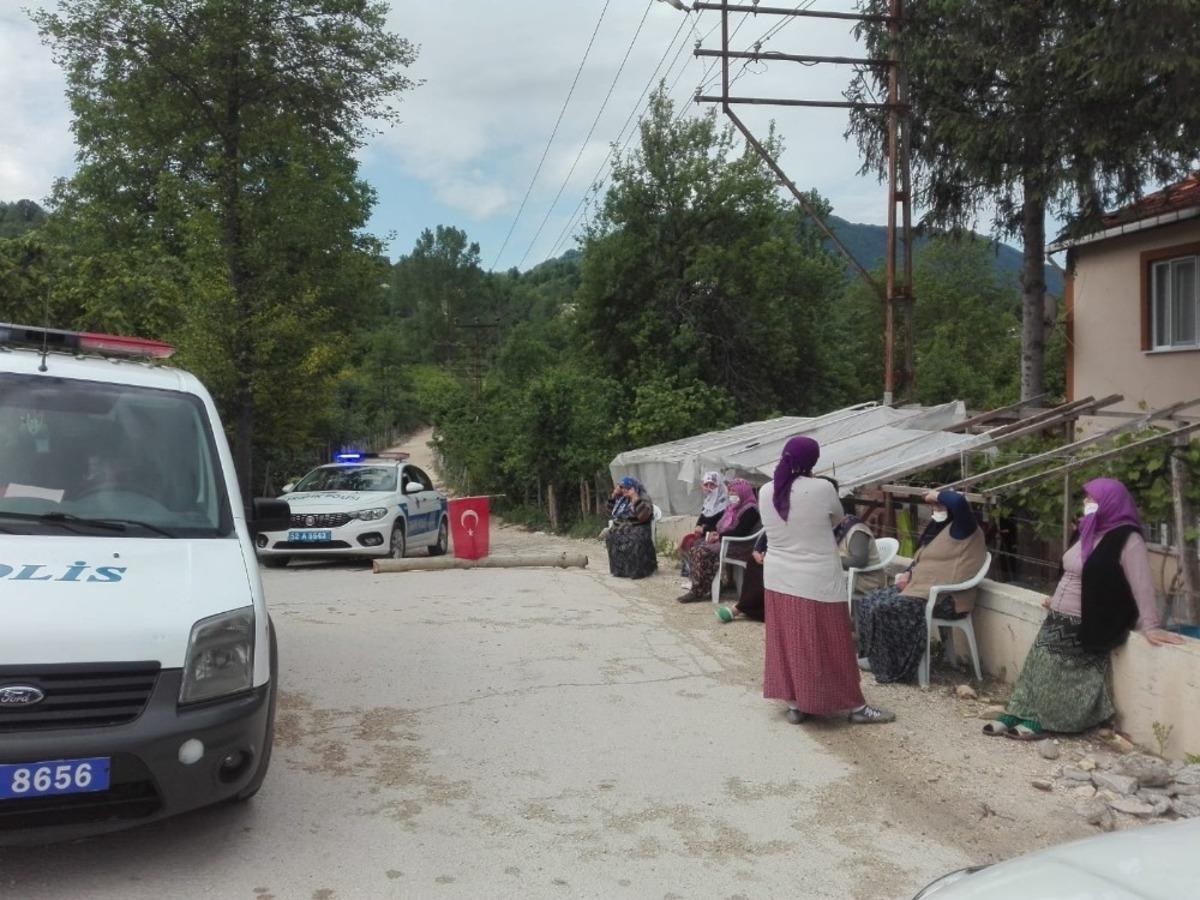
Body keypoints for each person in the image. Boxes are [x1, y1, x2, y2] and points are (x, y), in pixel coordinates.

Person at [984, 478, 1183, 739]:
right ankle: (1018, 709)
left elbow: (1142, 584)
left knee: (1054, 669)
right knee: (1036, 663)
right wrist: (1055, 596)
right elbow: (1072, 569)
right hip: (1059, 613)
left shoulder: (1127, 538)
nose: (1086, 503)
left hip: (1088, 619)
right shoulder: (1088, 530)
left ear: (1110, 502)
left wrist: (1152, 625)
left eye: (1092, 499)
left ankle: (1042, 718)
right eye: (1086, 498)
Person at [757, 436, 894, 725]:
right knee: (832, 642)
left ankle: (797, 703)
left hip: (778, 578)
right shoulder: (821, 488)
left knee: (789, 641)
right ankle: (855, 707)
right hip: (816, 579)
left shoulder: (766, 490)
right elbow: (837, 520)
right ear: (812, 461)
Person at [856, 489, 986, 684]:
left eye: (939, 506)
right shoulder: (938, 529)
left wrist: (934, 494)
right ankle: (875, 657)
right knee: (869, 600)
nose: (935, 509)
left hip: (947, 598)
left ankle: (894, 665)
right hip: (919, 588)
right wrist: (908, 572)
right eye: (932, 506)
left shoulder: (965, 528)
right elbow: (922, 558)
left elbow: (959, 502)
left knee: (887, 607)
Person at [677, 478, 761, 603]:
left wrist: (720, 537)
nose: (731, 494)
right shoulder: (733, 508)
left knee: (702, 551)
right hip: (728, 540)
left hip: (738, 545)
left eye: (735, 491)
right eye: (730, 491)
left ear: (743, 492)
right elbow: (722, 526)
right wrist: (716, 533)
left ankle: (697, 592)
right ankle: (705, 586)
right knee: (696, 546)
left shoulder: (750, 510)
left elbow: (741, 532)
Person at [605, 476, 658, 579]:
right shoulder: (622, 499)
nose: (623, 490)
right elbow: (609, 514)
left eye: (625, 487)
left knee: (633, 538)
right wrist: (613, 496)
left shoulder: (643, 497)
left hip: (640, 526)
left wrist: (635, 499)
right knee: (611, 535)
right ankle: (620, 570)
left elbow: (643, 517)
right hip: (625, 526)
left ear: (632, 488)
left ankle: (637, 571)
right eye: (621, 487)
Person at [679, 471, 728, 572]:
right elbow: (701, 519)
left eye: (712, 485)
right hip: (703, 534)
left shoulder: (724, 505)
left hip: (715, 537)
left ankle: (700, 571)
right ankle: (689, 569)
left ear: (718, 485)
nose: (709, 488)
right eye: (706, 484)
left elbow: (719, 525)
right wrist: (698, 527)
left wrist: (704, 528)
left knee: (697, 545)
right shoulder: (708, 502)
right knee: (686, 539)